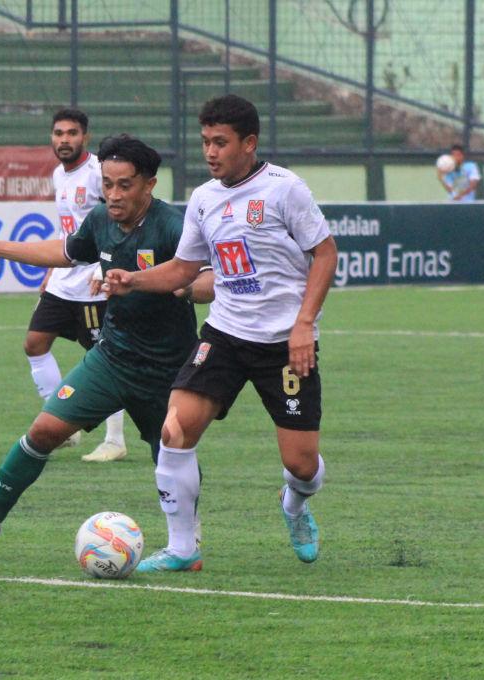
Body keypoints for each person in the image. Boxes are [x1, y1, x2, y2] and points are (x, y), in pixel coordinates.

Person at [0, 135, 214, 550]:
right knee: (44, 429)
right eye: (107, 184)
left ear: (149, 185)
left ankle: (185, 538)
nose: (114, 194)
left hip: (167, 369)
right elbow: (67, 252)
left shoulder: (174, 227)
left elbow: (209, 280)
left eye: (125, 185)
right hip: (112, 358)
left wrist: (182, 288)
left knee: (170, 453)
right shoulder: (101, 220)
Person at [101, 94, 337, 572]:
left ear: (248, 144)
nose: (210, 152)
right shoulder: (205, 199)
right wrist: (133, 280)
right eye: (205, 141)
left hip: (283, 343)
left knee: (302, 465)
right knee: (175, 429)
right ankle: (183, 549)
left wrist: (304, 324)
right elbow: (186, 268)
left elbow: (326, 254)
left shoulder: (284, 189)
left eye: (220, 142)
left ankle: (293, 504)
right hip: (225, 334)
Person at [28, 108, 129, 462]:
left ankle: (115, 440)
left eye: (72, 133)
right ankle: (62, 424)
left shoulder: (99, 174)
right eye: (58, 133)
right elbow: (66, 229)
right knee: (35, 343)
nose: (64, 139)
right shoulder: (59, 174)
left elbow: (119, 221)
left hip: (92, 281)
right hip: (64, 278)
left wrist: (107, 267)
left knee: (104, 358)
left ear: (85, 137)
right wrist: (50, 269)